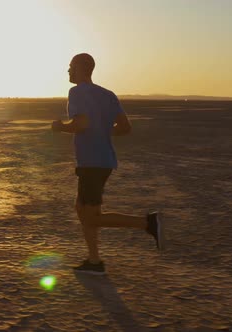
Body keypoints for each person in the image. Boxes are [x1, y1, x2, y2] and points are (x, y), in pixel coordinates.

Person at [51, 53, 164, 275]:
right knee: (82, 210)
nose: (68, 71)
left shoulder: (77, 92)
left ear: (82, 68)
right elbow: (124, 128)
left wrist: (60, 127)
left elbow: (81, 123)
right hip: (103, 160)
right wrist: (102, 132)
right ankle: (94, 261)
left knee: (91, 216)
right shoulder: (108, 94)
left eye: (71, 67)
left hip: (92, 162)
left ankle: (147, 223)